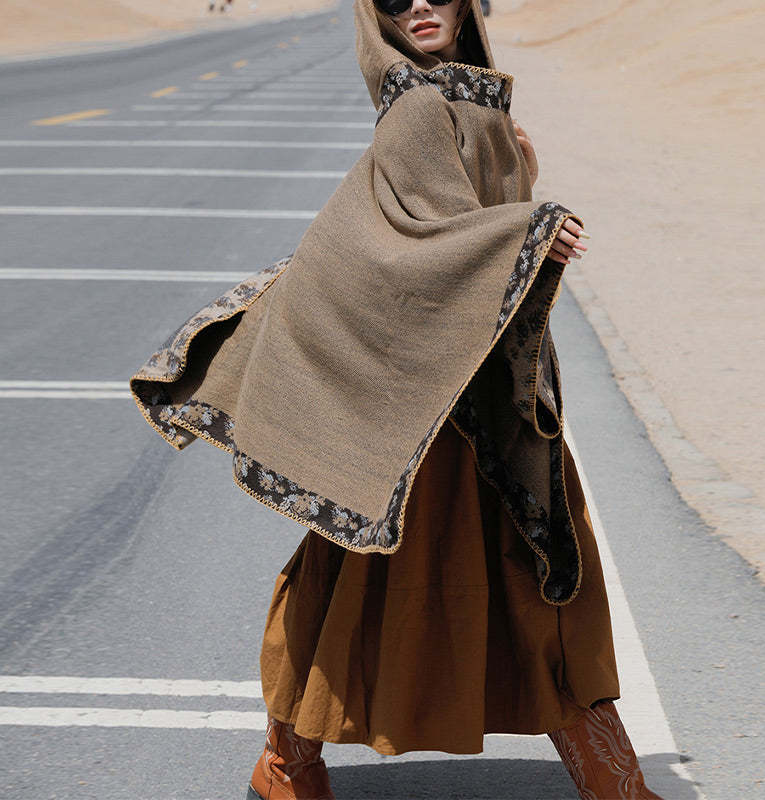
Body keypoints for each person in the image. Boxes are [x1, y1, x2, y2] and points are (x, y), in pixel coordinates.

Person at [129, 0, 664, 797]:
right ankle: (289, 763)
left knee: (419, 575)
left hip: (468, 390)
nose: (418, 4)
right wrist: (526, 230)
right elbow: (426, 249)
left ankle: (289, 765)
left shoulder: (472, 101)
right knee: (507, 576)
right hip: (429, 409)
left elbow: (465, 230)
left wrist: (520, 189)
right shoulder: (418, 107)